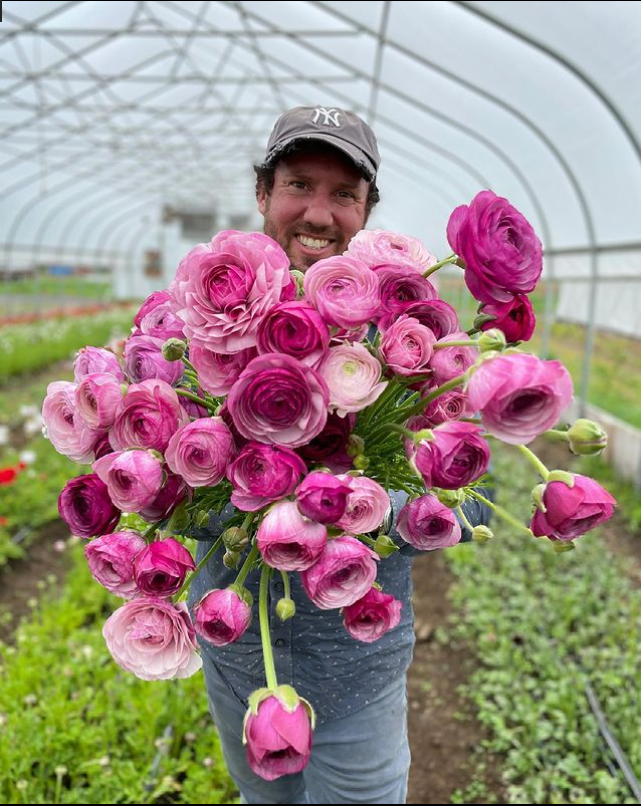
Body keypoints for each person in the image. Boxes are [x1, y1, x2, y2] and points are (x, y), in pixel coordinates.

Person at [188, 105, 491, 805]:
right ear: (262, 194)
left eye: (344, 195)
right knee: (262, 798)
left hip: (356, 668)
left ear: (367, 211)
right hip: (238, 657)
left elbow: (471, 492)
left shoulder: (410, 337)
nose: (318, 214)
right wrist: (240, 497)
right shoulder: (197, 331)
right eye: (299, 185)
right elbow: (154, 488)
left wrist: (364, 506)